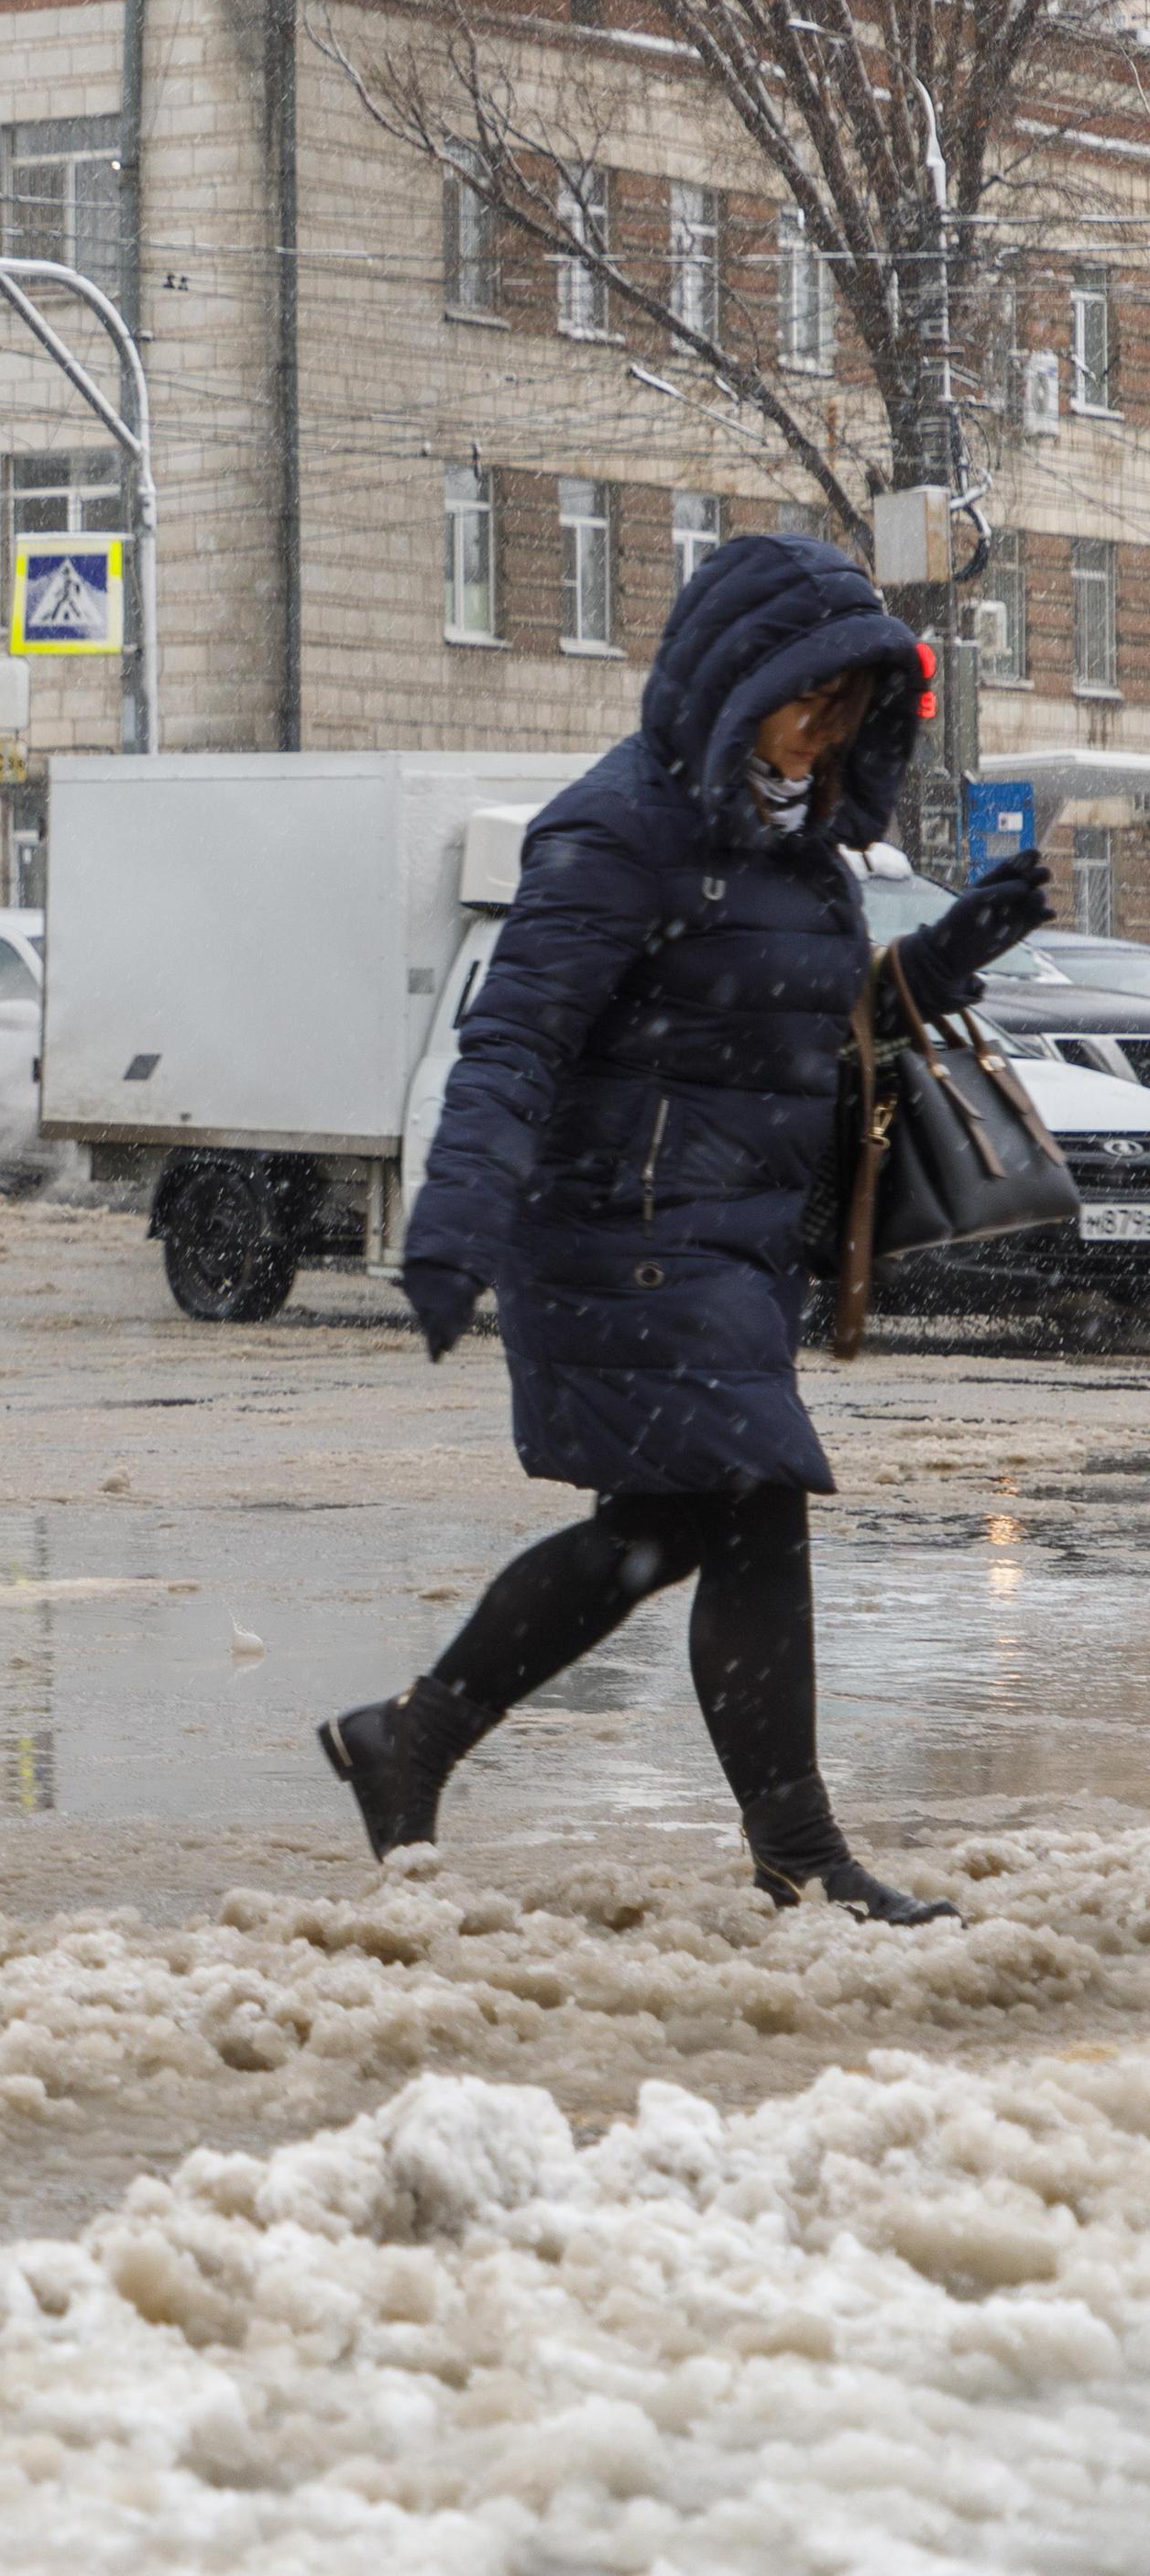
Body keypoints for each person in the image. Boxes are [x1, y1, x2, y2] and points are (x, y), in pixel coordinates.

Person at [330, 531, 1050, 1924]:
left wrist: (950, 952)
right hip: (623, 1233)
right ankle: (801, 1852)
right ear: (732, 679)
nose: (819, 739)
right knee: (759, 1500)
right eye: (802, 704)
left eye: (846, 714)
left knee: (651, 1531)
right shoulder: (619, 829)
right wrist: (454, 1219)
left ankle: (409, 1736)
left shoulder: (806, 851)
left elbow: (802, 1021)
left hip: (733, 1239)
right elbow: (517, 1041)